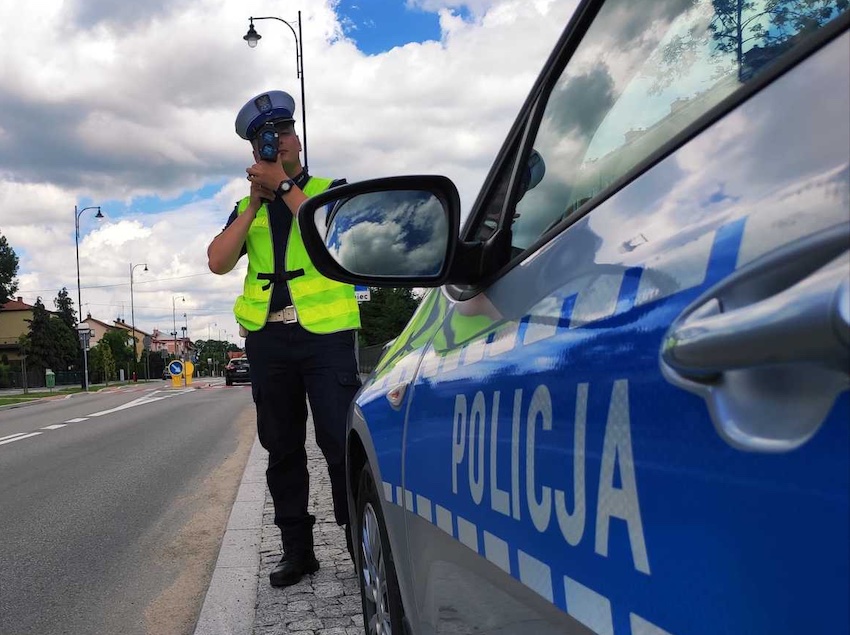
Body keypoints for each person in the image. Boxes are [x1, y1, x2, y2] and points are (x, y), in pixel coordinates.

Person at [207, 90, 361, 587]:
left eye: (284, 133)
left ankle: (361, 543)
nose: (278, 143)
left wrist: (289, 185)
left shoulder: (327, 190)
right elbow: (217, 261)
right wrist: (253, 203)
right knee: (282, 448)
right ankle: (298, 551)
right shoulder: (241, 205)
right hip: (268, 342)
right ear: (255, 154)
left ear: (298, 139)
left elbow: (333, 240)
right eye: (266, 140)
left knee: (339, 442)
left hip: (326, 337)